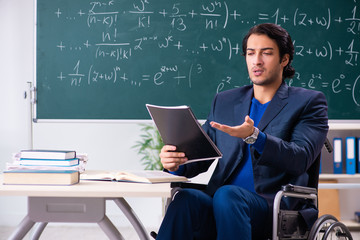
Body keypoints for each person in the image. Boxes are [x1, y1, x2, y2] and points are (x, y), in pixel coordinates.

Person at [156, 23, 329, 240]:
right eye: (250, 53)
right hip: (221, 203)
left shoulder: (308, 102)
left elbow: (300, 158)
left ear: (284, 60)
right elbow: (201, 155)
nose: (257, 60)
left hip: (274, 208)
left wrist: (255, 137)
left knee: (228, 195)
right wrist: (175, 162)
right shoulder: (226, 101)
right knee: (185, 199)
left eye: (266, 53)